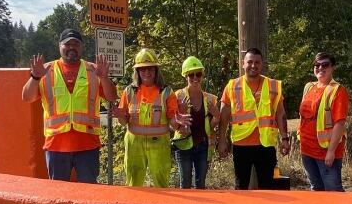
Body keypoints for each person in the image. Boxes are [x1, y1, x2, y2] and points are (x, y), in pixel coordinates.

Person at [21, 29, 117, 183]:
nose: (72, 47)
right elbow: (26, 97)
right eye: (67, 44)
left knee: (88, 194)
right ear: (60, 46)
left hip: (87, 145)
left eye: (76, 44)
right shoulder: (46, 70)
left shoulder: (94, 70)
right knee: (59, 195)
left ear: (82, 47)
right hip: (56, 146)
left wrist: (104, 78)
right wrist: (34, 77)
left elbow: (112, 96)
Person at [113, 48, 190, 187]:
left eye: (150, 69)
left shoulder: (166, 92)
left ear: (156, 70)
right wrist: (120, 116)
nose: (147, 72)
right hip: (134, 144)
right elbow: (124, 122)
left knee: (161, 182)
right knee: (133, 182)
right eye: (143, 69)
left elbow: (173, 120)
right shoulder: (129, 91)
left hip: (159, 144)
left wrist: (177, 121)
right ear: (137, 71)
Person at [218, 48, 290, 190]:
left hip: (266, 145)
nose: (253, 65)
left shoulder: (273, 86)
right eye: (250, 62)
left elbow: (280, 114)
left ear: (262, 64)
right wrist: (221, 141)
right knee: (241, 187)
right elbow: (224, 115)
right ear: (243, 63)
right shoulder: (232, 86)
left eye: (257, 62)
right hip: (241, 144)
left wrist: (285, 139)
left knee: (267, 187)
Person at [298, 52, 349, 191]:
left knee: (333, 191)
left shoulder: (338, 91)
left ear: (333, 67)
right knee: (316, 190)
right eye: (317, 65)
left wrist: (331, 151)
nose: (320, 68)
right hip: (307, 149)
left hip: (326, 152)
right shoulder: (309, 87)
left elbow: (340, 123)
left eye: (325, 65)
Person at [171, 56, 220, 189]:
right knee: (185, 183)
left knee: (201, 185)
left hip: (202, 146)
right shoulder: (177, 96)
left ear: (202, 75)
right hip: (183, 146)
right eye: (191, 75)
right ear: (185, 76)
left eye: (198, 74)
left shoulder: (210, 99)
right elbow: (173, 125)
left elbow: (210, 126)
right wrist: (180, 112)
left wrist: (216, 116)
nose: (195, 78)